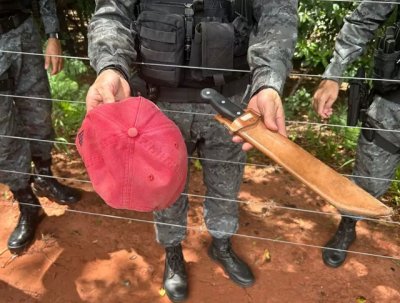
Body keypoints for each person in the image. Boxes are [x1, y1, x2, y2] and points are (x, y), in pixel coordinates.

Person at [86, 0, 298, 301]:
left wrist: (268, 81)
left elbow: (278, 13)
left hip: (231, 102)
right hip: (157, 107)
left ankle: (221, 243)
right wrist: (111, 66)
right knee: (163, 190)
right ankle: (173, 252)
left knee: (226, 184)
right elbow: (113, 11)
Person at [313, 2, 399, 268]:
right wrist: (334, 74)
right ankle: (348, 223)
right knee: (369, 181)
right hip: (392, 107)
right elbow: (363, 19)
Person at [0, 0, 81, 255]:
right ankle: (27, 202)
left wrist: (52, 34)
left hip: (24, 33)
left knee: (39, 111)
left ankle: (44, 177)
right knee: (3, 134)